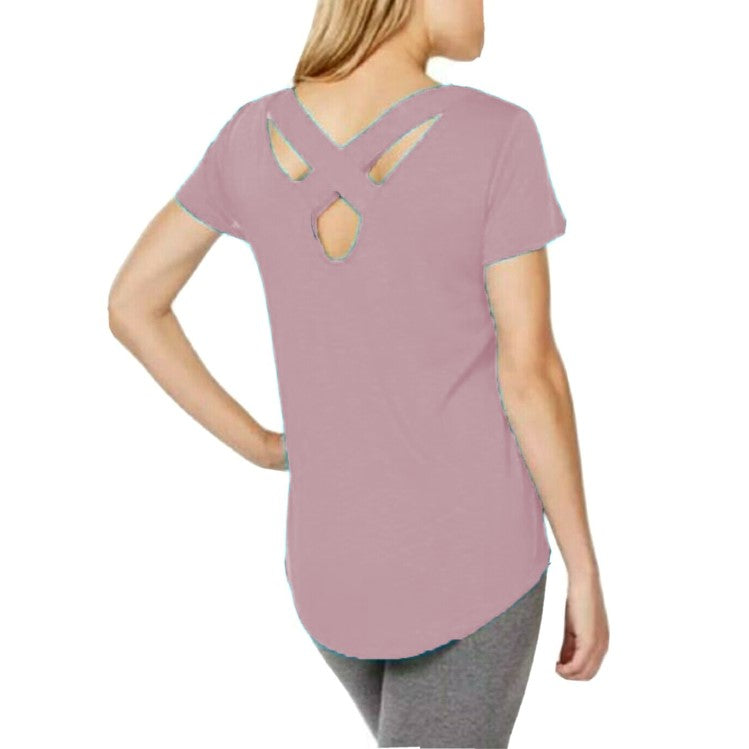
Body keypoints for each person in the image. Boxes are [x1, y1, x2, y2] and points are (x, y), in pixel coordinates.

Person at [108, 0, 609, 746]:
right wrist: (583, 566)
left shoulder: (252, 134)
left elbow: (133, 304)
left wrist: (263, 445)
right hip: (470, 563)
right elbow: (531, 374)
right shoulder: (497, 135)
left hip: (329, 566)